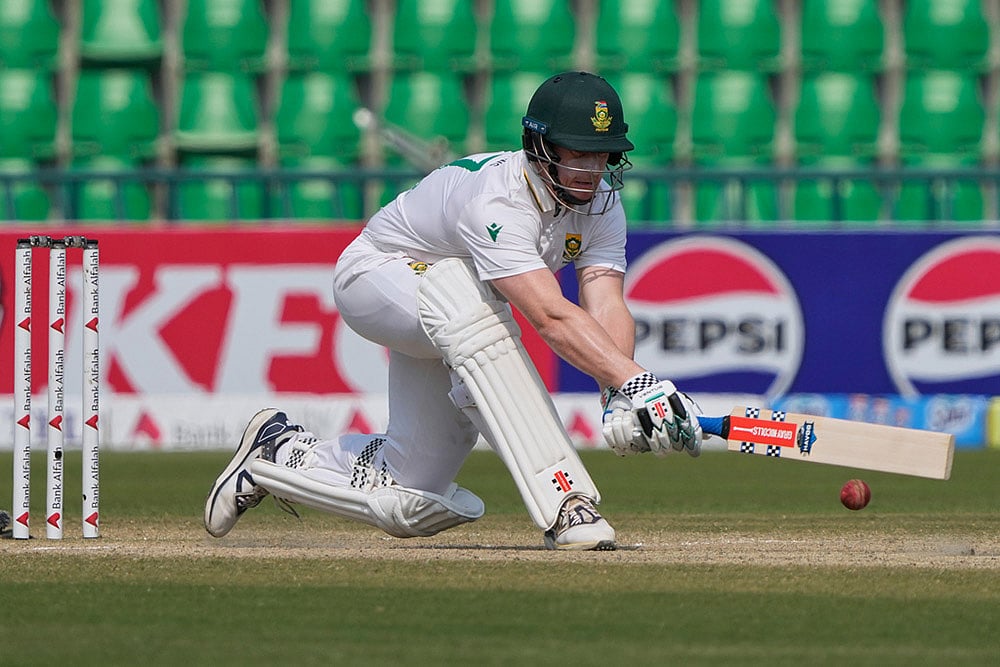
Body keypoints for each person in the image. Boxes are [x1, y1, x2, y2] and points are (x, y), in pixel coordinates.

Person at [204, 71, 702, 551]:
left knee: (410, 495)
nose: (592, 172)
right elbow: (549, 316)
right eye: (578, 155)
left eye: (602, 156)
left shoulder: (602, 202)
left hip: (447, 310)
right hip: (377, 277)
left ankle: (280, 453)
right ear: (539, 147)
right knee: (475, 307)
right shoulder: (497, 200)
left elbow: (605, 300)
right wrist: (640, 383)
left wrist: (616, 394)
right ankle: (567, 501)